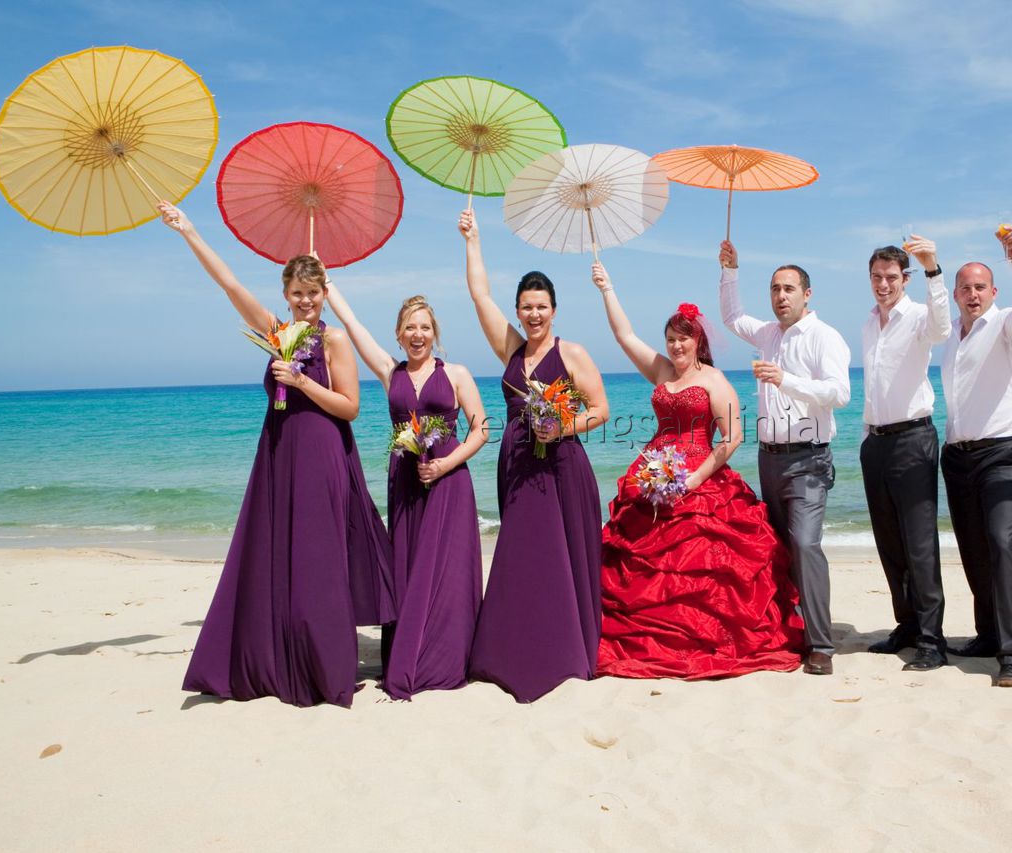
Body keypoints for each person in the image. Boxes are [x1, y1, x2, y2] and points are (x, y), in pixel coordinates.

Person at [159, 202, 394, 708]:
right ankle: (275, 657)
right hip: (279, 455)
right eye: (297, 294)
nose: (305, 301)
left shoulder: (334, 339)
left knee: (319, 559)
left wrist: (302, 381)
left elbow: (350, 408)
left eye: (313, 293)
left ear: (323, 294)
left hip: (323, 455)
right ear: (285, 296)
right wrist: (190, 230)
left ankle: (326, 666)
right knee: (276, 554)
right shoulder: (277, 333)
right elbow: (230, 287)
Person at [591, 263, 803, 679]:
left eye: (683, 339)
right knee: (637, 564)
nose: (675, 347)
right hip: (653, 474)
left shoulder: (714, 380)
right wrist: (607, 288)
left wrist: (694, 479)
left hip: (699, 479)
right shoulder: (661, 371)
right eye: (670, 340)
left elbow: (733, 437)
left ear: (697, 340)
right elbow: (624, 336)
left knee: (705, 567)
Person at [457, 209, 609, 703]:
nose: (534, 315)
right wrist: (472, 240)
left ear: (554, 309)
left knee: (561, 558)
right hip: (519, 469)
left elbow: (601, 410)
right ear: (518, 311)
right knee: (521, 557)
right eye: (526, 307)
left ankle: (564, 653)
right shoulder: (512, 353)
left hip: (562, 468)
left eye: (541, 306)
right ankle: (510, 651)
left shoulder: (573, 353)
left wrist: (560, 425)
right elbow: (479, 297)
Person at [325, 279, 488, 700]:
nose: (418, 335)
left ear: (435, 333)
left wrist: (447, 464)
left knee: (447, 572)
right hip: (404, 484)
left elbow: (481, 428)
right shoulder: (389, 371)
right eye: (410, 328)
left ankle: (446, 657)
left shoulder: (456, 373)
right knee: (407, 569)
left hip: (449, 482)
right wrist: (329, 288)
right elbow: (354, 325)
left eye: (425, 328)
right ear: (399, 335)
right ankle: (406, 653)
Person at [718, 240, 850, 676]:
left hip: (809, 459)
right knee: (775, 546)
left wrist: (786, 380)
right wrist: (730, 271)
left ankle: (821, 645)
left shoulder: (824, 336)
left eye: (789, 288)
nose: (780, 296)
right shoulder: (768, 334)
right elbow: (733, 318)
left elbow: (840, 394)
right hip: (769, 458)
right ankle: (785, 631)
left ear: (806, 294)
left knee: (806, 544)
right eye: (775, 289)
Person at [939, 228, 1012, 688]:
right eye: (965, 287)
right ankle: (988, 634)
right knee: (974, 550)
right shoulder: (951, 338)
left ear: (993, 291)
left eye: (980, 287)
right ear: (955, 294)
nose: (973, 294)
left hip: (1002, 451)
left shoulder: (1008, 326)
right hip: (958, 455)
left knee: (1002, 545)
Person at [860, 236, 951, 672]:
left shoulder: (918, 317)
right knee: (889, 543)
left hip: (914, 438)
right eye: (877, 277)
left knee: (919, 543)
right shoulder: (867, 325)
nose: (883, 284)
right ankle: (908, 625)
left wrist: (933, 269)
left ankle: (932, 640)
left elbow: (943, 328)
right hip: (875, 442)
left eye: (891, 277)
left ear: (905, 279)